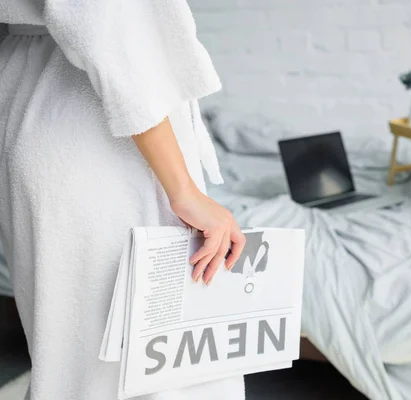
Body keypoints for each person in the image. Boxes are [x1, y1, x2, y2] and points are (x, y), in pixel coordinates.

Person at [0, 1, 246, 399]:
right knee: (145, 370)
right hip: (91, 110)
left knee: (76, 362)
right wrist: (182, 188)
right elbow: (104, 17)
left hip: (35, 90)